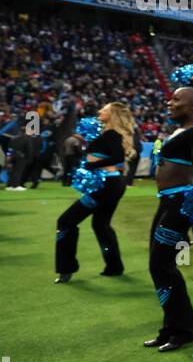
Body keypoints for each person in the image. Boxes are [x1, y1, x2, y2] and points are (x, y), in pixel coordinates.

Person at [144, 86, 193, 352]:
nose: (170, 102)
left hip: (179, 205)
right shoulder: (181, 130)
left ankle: (187, 329)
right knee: (158, 265)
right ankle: (171, 327)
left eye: (177, 99)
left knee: (162, 265)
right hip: (167, 202)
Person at [54, 103, 136, 282]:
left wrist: (91, 165)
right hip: (111, 184)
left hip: (105, 185)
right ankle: (114, 266)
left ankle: (66, 268)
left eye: (105, 110)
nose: (100, 111)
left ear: (113, 115)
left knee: (65, 221)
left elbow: (118, 157)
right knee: (101, 225)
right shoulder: (106, 133)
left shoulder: (112, 134)